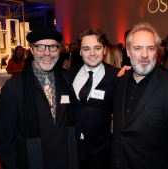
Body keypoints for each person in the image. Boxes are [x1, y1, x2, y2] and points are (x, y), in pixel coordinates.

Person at [0, 26, 78, 169]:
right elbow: (5, 142)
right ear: (32, 50)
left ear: (59, 50)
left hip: (65, 162)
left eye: (52, 47)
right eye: (40, 47)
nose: (47, 52)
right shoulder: (13, 89)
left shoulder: (65, 81)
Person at [111, 22, 168, 169]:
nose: (144, 54)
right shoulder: (119, 81)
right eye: (137, 48)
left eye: (150, 48)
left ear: (156, 51)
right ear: (128, 51)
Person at [66, 28, 119, 169]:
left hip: (101, 149)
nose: (92, 53)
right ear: (80, 51)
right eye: (86, 49)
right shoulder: (69, 74)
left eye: (97, 48)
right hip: (72, 146)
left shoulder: (116, 76)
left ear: (105, 50)